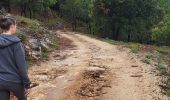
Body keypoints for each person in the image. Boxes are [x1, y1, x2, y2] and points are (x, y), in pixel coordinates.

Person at [0, 16, 31, 100]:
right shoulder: (16, 43)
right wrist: (27, 84)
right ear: (12, 27)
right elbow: (21, 66)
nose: (16, 27)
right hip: (15, 81)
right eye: (16, 25)